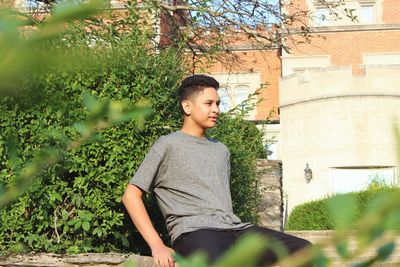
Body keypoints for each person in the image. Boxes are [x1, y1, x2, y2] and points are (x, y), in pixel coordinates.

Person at [122, 74, 312, 267]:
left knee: (305, 251)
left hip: (235, 229)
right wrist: (157, 245)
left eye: (218, 104)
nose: (216, 110)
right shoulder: (167, 145)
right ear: (187, 106)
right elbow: (131, 195)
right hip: (194, 231)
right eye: (209, 103)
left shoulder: (221, 150)